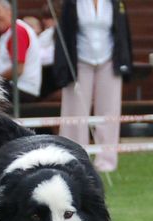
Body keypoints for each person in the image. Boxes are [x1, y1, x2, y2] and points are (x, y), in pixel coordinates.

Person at [54, 0, 133, 174]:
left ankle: (106, 162)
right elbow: (65, 31)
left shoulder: (113, 2)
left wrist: (125, 60)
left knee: (109, 111)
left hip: (108, 60)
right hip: (80, 60)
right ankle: (72, 159)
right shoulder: (72, 3)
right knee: (75, 112)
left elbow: (122, 29)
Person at [0, 0, 42, 102]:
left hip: (22, 89)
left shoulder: (17, 31)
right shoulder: (8, 32)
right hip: (15, 86)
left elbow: (18, 69)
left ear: (9, 11)